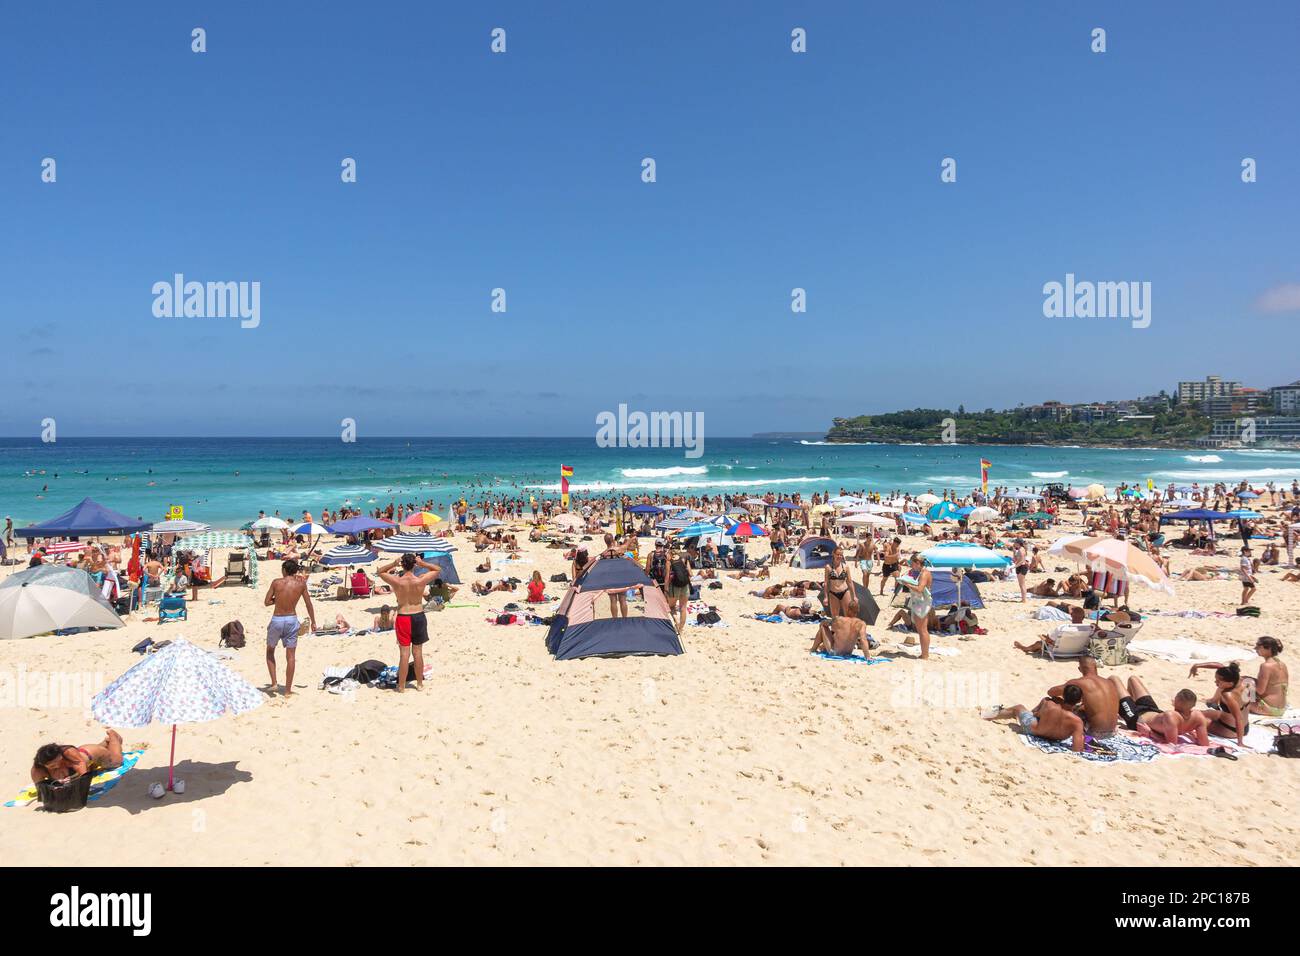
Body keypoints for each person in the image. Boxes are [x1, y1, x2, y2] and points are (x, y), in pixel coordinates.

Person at [376, 553, 443, 693]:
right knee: (418, 653)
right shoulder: (420, 580)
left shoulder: (397, 581)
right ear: (414, 565)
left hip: (403, 617)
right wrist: (423, 564)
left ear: (402, 565)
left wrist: (393, 564)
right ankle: (419, 684)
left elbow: (380, 571)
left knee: (404, 654)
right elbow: (437, 570)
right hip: (418, 616)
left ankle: (401, 687)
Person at [1190, 637, 1288, 717]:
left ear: (1268, 648)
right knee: (1245, 679)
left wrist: (1245, 683)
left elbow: (1260, 691)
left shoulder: (1266, 666)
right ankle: (1214, 700)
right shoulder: (1281, 664)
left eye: (1258, 646)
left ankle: (1214, 701)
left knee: (1230, 680)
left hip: (1267, 708)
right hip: (1280, 708)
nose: (1255, 649)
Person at [263, 559, 316, 698]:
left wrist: (278, 599)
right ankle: (287, 690)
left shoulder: (276, 582)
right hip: (292, 619)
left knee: (270, 651)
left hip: (277, 619)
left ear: (285, 570)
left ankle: (274, 683)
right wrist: (314, 622)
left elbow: (266, 602)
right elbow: (308, 604)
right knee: (291, 656)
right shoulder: (301, 584)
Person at [1109, 675, 1209, 745]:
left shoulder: (1171, 716)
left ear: (1176, 701)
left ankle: (1123, 708)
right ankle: (1127, 703)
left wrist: (1150, 733)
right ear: (1194, 704)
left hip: (1136, 718)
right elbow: (1204, 743)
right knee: (1133, 679)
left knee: (1114, 679)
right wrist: (1191, 731)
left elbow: (1171, 744)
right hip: (1153, 710)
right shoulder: (1199, 716)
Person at [984, 694, 1086, 752]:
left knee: (1018, 708)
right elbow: (1078, 748)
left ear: (1064, 696)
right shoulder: (1077, 721)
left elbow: (1035, 714)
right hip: (1056, 738)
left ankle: (988, 715)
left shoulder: (1050, 705)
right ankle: (995, 711)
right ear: (1078, 701)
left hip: (1034, 731)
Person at [1046, 657, 1119, 737]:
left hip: (1094, 733)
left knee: (1052, 701)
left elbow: (1051, 692)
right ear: (1095, 667)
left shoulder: (1078, 682)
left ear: (1079, 669)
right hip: (1113, 731)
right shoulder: (1109, 682)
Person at [31, 729, 124, 783]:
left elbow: (84, 780)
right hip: (79, 754)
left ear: (60, 756)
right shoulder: (37, 770)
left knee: (116, 762)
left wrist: (73, 780)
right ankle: (105, 743)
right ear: (42, 764)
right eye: (52, 766)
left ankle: (113, 736)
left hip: (92, 753)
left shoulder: (68, 754)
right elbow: (41, 790)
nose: (57, 765)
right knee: (78, 756)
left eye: (58, 761)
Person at [1197, 662, 1249, 746]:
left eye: (1219, 681)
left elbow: (1239, 718)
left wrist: (1240, 742)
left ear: (1230, 683)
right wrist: (1197, 665)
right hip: (1245, 726)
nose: (1215, 682)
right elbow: (1220, 666)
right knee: (1200, 713)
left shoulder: (1228, 695)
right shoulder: (1246, 683)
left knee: (1197, 722)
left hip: (1231, 729)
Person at [897, 554, 933, 660]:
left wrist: (906, 584)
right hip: (919, 602)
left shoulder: (924, 573)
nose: (911, 566)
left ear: (918, 563)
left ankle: (925, 655)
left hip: (922, 603)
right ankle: (924, 654)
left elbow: (920, 589)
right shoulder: (920, 572)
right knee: (921, 629)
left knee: (922, 630)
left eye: (912, 563)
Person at [810, 616, 878, 658]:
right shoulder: (861, 623)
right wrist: (867, 656)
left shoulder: (838, 619)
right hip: (848, 653)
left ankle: (813, 649)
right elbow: (863, 639)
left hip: (834, 653)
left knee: (823, 627)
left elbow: (823, 623)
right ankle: (819, 647)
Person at [664, 546, 692, 633]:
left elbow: (667, 577)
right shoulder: (684, 559)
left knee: (671, 607)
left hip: (674, 586)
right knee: (683, 608)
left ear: (670, 552)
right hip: (685, 585)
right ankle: (680, 629)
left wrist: (666, 589)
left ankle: (676, 621)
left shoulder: (669, 562)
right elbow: (690, 573)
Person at [823, 548, 855, 618]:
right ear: (833, 554)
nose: (839, 556)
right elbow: (826, 583)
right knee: (835, 617)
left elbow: (850, 582)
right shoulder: (828, 567)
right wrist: (825, 597)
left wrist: (854, 596)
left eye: (841, 555)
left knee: (848, 615)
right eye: (837, 554)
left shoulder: (845, 567)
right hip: (833, 593)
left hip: (845, 592)